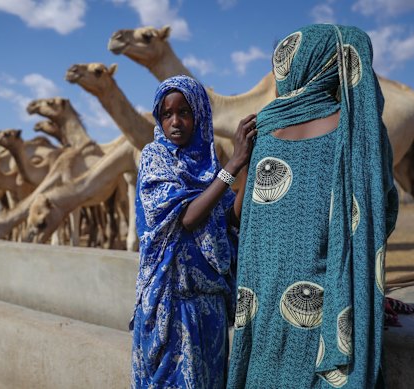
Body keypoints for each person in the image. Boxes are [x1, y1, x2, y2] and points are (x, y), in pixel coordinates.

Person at [227, 24, 399, 388]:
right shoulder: (358, 129)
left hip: (263, 295)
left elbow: (242, 217)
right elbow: (380, 210)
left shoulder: (264, 125)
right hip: (327, 295)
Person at [131, 75, 256, 388]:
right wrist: (233, 166)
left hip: (209, 305)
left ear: (199, 114)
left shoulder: (209, 167)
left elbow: (231, 219)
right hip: (172, 305)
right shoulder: (154, 158)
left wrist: (249, 166)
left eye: (184, 112)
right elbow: (186, 218)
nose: (175, 122)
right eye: (167, 114)